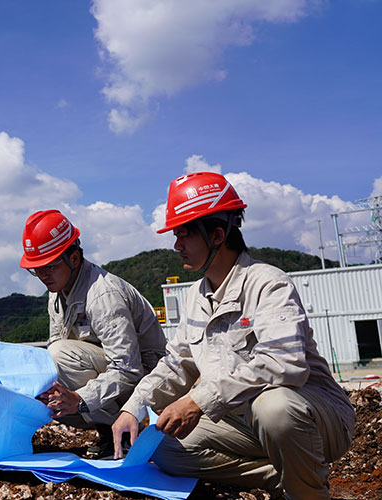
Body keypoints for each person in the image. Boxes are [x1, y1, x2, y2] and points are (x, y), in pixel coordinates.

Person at [112, 172, 356, 499]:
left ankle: (307, 493)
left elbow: (284, 364)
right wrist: (134, 407)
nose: (176, 245)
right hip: (242, 420)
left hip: (312, 416)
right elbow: (177, 365)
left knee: (274, 407)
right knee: (163, 445)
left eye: (184, 234)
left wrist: (199, 401)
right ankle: (285, 475)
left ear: (216, 235)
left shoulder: (267, 283)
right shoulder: (196, 297)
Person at [19, 210, 167, 458]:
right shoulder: (56, 294)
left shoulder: (103, 295)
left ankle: (125, 432)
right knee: (48, 378)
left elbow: (129, 368)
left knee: (58, 356)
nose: (43, 276)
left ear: (74, 259)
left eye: (49, 267)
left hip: (148, 380)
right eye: (37, 270)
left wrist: (79, 398)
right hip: (113, 374)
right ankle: (110, 431)